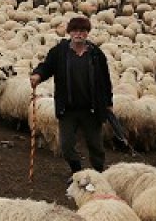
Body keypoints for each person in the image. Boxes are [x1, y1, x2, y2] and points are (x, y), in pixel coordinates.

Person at [30, 15, 113, 175]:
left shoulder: (96, 54)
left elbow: (105, 80)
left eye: (82, 31)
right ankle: (77, 172)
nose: (78, 34)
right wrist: (38, 75)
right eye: (75, 30)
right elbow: (47, 67)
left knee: (96, 145)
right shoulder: (59, 52)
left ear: (87, 33)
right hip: (67, 108)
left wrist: (108, 102)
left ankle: (98, 173)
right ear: (69, 32)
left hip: (91, 108)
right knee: (66, 146)